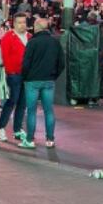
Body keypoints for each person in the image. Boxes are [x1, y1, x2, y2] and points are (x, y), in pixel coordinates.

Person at [19, 17, 64, 149]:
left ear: (37, 27)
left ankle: (30, 140)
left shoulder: (32, 42)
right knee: (49, 110)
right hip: (49, 80)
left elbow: (26, 63)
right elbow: (61, 62)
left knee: (31, 111)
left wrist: (25, 77)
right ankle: (50, 139)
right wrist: (53, 75)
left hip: (32, 81)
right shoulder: (55, 42)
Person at [0, 15, 31, 143]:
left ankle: (17, 129)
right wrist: (10, 71)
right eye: (19, 22)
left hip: (26, 75)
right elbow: (5, 56)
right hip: (13, 75)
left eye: (24, 22)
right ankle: (1, 128)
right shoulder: (7, 37)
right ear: (14, 24)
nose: (22, 25)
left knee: (22, 103)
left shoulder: (29, 37)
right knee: (11, 101)